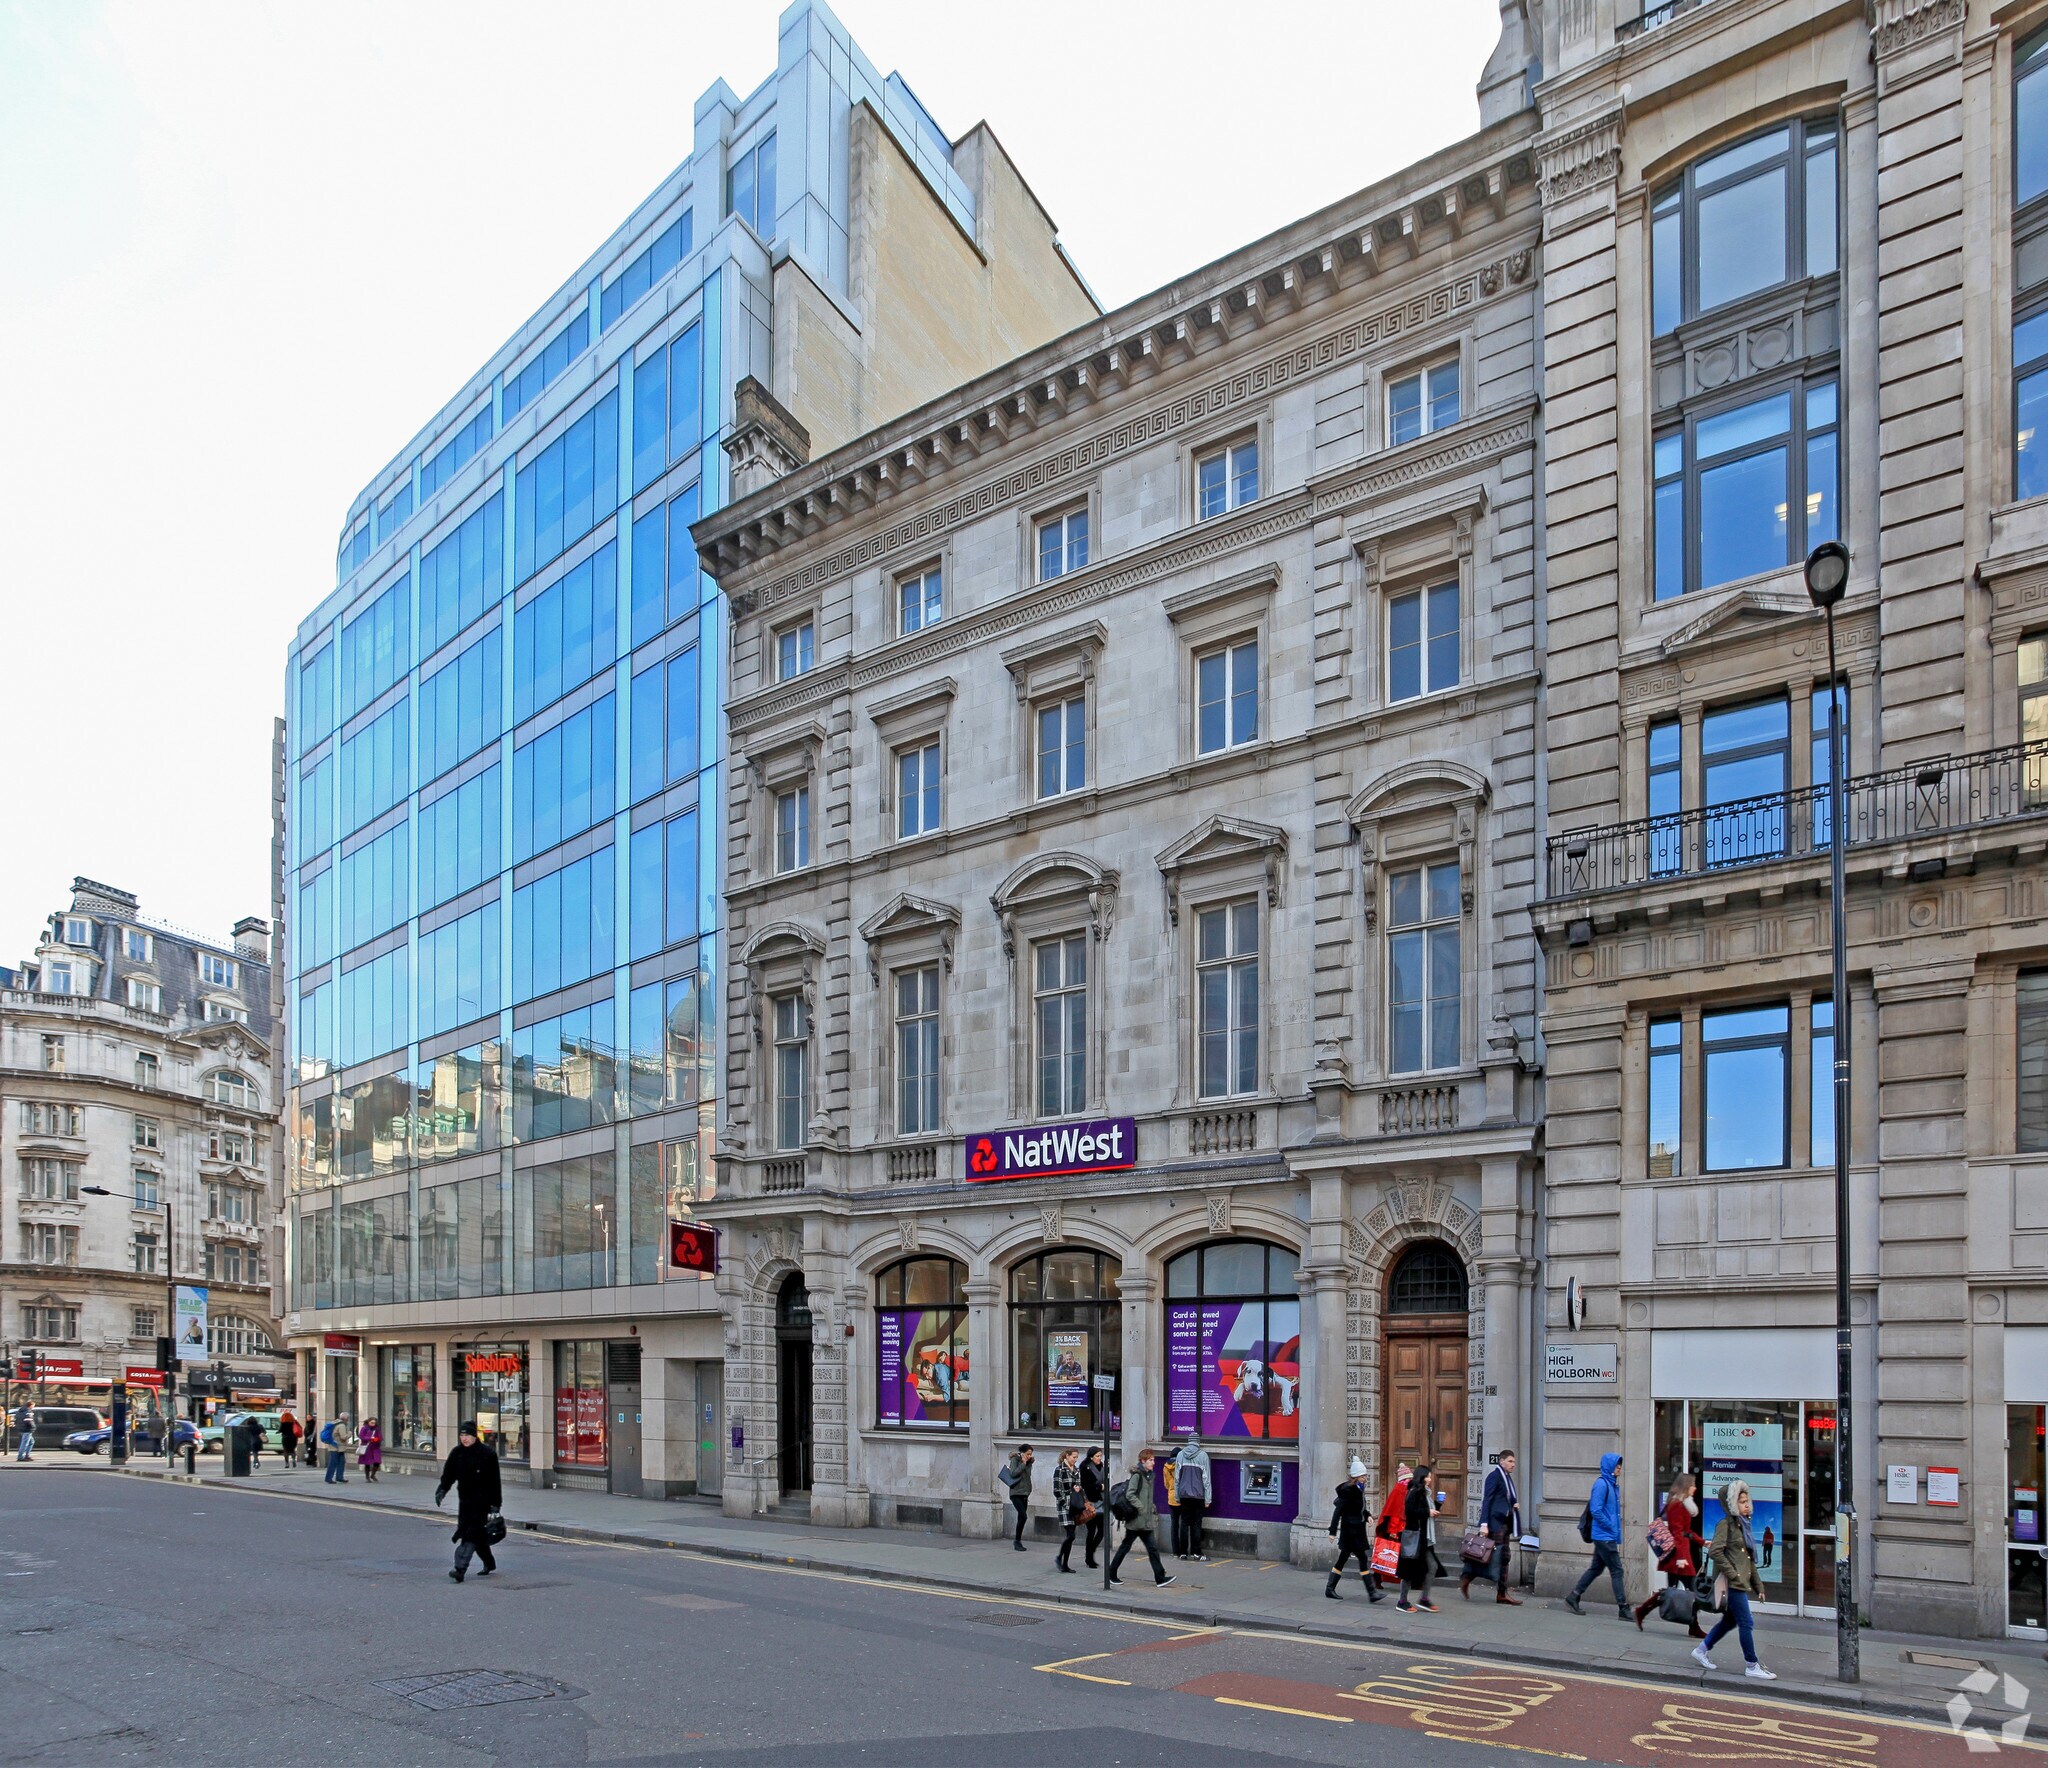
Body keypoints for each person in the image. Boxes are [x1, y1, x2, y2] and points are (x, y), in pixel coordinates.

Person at [1693, 1479, 1776, 1681]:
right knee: (1746, 1622)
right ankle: (1751, 1664)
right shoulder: (1726, 1525)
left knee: (1730, 1621)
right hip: (1734, 1584)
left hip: (1740, 1582)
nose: (1747, 1505)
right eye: (1741, 1502)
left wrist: (1759, 1587)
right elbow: (1715, 1551)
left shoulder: (1743, 1526)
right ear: (1731, 1504)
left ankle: (1702, 1649)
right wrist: (1733, 1575)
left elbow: (1748, 1561)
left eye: (1748, 1501)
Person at [1635, 1471, 1705, 1637]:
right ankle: (1693, 1627)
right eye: (1693, 1485)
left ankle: (1642, 1611)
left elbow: (1687, 1531)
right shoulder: (1676, 1505)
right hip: (1678, 1556)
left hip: (1681, 1553)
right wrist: (1681, 1557)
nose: (1695, 1488)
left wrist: (1702, 1542)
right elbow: (1677, 1533)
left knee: (1672, 1591)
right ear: (1686, 1487)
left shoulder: (1684, 1504)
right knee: (1692, 1591)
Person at [435, 1420, 503, 1582]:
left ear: (475, 1436)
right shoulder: (457, 1453)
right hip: (465, 1501)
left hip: (483, 1502)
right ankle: (489, 1562)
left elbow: (495, 1482)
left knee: (470, 1535)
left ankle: (460, 1569)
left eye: (468, 1435)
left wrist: (495, 1504)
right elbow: (449, 1474)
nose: (464, 1438)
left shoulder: (487, 1454)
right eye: (462, 1435)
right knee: (477, 1535)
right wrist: (442, 1489)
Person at [1564, 1451, 1629, 1618]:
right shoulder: (1602, 1484)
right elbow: (1596, 1510)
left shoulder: (1612, 1484)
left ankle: (1574, 1595)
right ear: (1609, 1467)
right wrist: (1611, 1527)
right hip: (1604, 1536)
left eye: (1620, 1464)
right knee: (1617, 1570)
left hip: (1605, 1535)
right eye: (1616, 1465)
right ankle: (1623, 1607)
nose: (1619, 1467)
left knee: (1596, 1568)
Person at [1108, 1448, 1176, 1588]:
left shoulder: (1149, 1475)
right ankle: (1111, 1573)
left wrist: (1150, 1508)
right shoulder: (1137, 1476)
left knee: (1151, 1549)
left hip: (1144, 1520)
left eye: (1153, 1460)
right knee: (1126, 1548)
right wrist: (1141, 1507)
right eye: (1150, 1460)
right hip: (1136, 1520)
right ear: (1143, 1461)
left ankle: (1160, 1577)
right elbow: (1130, 1494)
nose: (1153, 1462)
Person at [1465, 1449, 1524, 1604]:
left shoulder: (1507, 1478)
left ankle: (1501, 1593)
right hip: (1494, 1523)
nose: (1513, 1465)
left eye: (1514, 1461)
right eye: (1510, 1461)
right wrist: (1484, 1524)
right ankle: (1468, 1577)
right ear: (1501, 1461)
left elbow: (1504, 1498)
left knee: (1502, 1557)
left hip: (1504, 1523)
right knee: (1489, 1556)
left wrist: (1513, 1505)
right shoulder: (1494, 1476)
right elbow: (1487, 1500)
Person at [1326, 1455, 1380, 1601]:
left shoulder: (1359, 1489)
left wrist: (1368, 1515)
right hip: (1350, 1531)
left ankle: (1330, 1588)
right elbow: (1338, 1512)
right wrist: (1332, 1531)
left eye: (1365, 1476)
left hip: (1357, 1530)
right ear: (1356, 1477)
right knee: (1362, 1558)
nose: (1365, 1478)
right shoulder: (1349, 1492)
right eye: (1363, 1476)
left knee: (1343, 1559)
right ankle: (1372, 1593)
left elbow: (1360, 1508)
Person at [1396, 1461, 1439, 1612]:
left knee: (1432, 1566)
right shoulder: (1415, 1491)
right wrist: (1427, 1512)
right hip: (1415, 1535)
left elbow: (1425, 1510)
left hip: (1424, 1537)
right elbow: (1410, 1511)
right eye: (1428, 1476)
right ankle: (1402, 1601)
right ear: (1422, 1477)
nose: (1430, 1479)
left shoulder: (1425, 1492)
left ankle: (1424, 1598)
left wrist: (1437, 1506)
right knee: (1409, 1570)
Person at [1367, 1459, 1412, 1600]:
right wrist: (1393, 1530)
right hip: (1398, 1528)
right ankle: (1378, 1577)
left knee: (1395, 1555)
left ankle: (1379, 1577)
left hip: (1400, 1527)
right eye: (1409, 1478)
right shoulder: (1401, 1490)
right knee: (1394, 1555)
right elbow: (1396, 1512)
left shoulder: (1402, 1489)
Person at [1173, 1432, 1213, 1562]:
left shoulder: (1180, 1455)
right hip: (1198, 1495)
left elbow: (1177, 1478)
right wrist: (1208, 1499)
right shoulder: (1203, 1456)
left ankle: (1183, 1552)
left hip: (1184, 1494)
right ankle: (1196, 1553)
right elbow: (1206, 1479)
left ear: (1189, 1441)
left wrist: (1177, 1496)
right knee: (1196, 1524)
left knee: (1184, 1523)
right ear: (1198, 1442)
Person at [1052, 1448, 1082, 1573]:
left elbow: (1079, 1486)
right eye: (1074, 1457)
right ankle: (1059, 1558)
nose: (1075, 1460)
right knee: (1071, 1535)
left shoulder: (1077, 1470)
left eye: (1076, 1457)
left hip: (1075, 1505)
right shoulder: (1060, 1470)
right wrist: (1065, 1503)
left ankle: (1064, 1564)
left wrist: (1078, 1489)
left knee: (1071, 1536)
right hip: (1064, 1506)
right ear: (1067, 1456)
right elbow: (1056, 1490)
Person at [1078, 1447, 1107, 1569]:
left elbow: (1106, 1480)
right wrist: (1099, 1487)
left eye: (1100, 1456)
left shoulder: (1103, 1466)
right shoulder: (1085, 1467)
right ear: (1091, 1457)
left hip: (1101, 1501)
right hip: (1090, 1502)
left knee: (1102, 1530)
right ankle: (1089, 1557)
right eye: (1097, 1456)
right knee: (1091, 1530)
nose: (1099, 1458)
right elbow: (1086, 1485)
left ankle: (1090, 1552)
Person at [1004, 1444, 1035, 1552]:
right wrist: (1023, 1463)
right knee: (1023, 1516)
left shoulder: (1030, 1461)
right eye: (1027, 1454)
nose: (1029, 1456)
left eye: (1031, 1454)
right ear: (1022, 1453)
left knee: (1021, 1518)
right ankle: (1017, 1541)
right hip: (1016, 1492)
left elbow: (1027, 1475)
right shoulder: (1015, 1459)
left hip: (1025, 1493)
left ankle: (1018, 1540)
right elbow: (1013, 1473)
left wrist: (1028, 1463)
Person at [320, 1414, 354, 1484]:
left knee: (341, 1462)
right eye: (348, 1418)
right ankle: (329, 1478)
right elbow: (343, 1437)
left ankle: (339, 1477)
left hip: (334, 1445)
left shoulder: (335, 1423)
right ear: (346, 1419)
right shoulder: (341, 1425)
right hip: (337, 1447)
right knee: (334, 1463)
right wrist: (350, 1433)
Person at [356, 1415, 384, 1484]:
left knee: (377, 1461)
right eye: (371, 1422)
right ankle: (367, 1477)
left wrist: (377, 1439)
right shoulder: (364, 1428)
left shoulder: (377, 1429)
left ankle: (373, 1475)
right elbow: (362, 1436)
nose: (373, 1424)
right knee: (367, 1463)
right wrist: (370, 1438)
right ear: (368, 1422)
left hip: (375, 1447)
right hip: (367, 1447)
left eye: (374, 1423)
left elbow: (380, 1437)